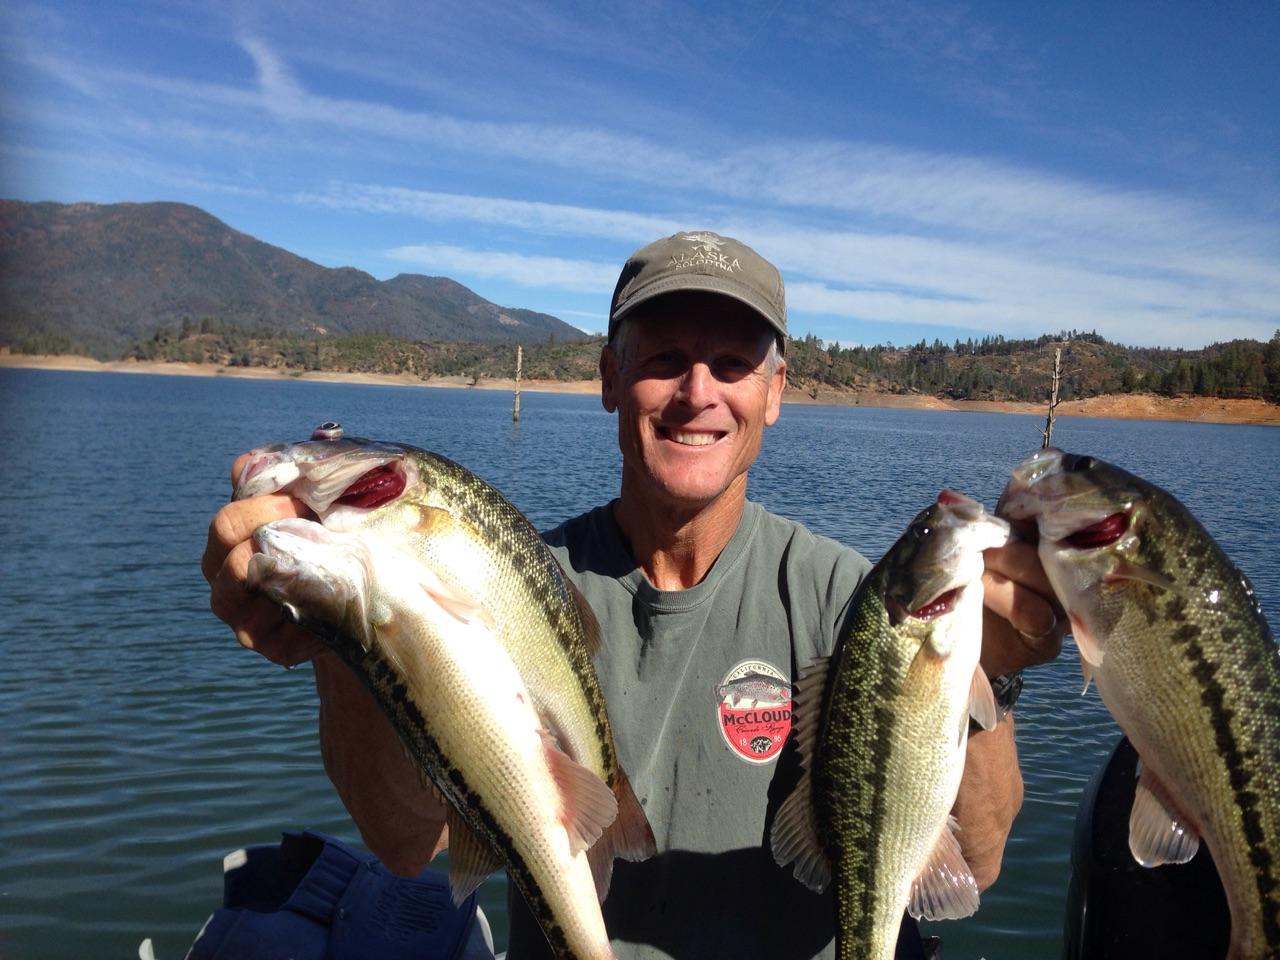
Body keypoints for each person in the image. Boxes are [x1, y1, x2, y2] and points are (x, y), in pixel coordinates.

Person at [203, 231, 1066, 959]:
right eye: (664, 360)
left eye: (732, 364)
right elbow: (404, 843)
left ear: (775, 394)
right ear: (610, 378)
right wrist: (347, 637)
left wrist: (988, 674)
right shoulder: (510, 589)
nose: (698, 393)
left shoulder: (849, 599)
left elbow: (979, 860)